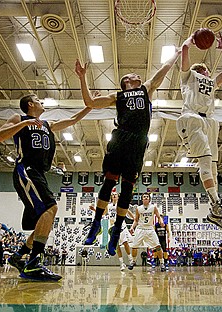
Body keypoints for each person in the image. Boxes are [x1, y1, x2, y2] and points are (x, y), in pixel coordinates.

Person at [75, 48, 181, 256]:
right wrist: (82, 77)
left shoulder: (147, 89)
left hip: (138, 141)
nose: (139, 76)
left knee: (127, 188)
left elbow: (164, 70)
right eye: (134, 76)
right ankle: (96, 224)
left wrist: (176, 54)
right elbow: (90, 103)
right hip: (120, 137)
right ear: (126, 81)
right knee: (109, 181)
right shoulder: (118, 95)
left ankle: (116, 232)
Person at [0, 94, 92, 281]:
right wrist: (24, 124)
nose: (42, 102)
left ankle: (19, 256)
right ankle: (32, 263)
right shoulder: (19, 119)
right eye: (38, 100)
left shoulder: (47, 125)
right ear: (30, 104)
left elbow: (72, 119)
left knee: (43, 221)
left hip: (39, 173)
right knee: (51, 208)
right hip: (26, 170)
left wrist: (90, 106)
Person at [177, 32, 222, 231]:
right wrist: (192, 41)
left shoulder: (212, 83)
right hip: (192, 117)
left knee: (213, 168)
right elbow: (185, 51)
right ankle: (217, 202)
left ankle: (214, 211)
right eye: (203, 69)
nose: (206, 70)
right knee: (204, 161)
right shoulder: (189, 76)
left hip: (210, 122)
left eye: (206, 69)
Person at [128, 193, 166, 272]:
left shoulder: (153, 207)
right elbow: (136, 220)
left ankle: (162, 263)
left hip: (149, 229)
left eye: (147, 197)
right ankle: (133, 261)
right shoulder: (138, 208)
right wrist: (132, 227)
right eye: (144, 197)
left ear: (149, 199)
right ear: (142, 199)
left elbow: (159, 216)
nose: (145, 198)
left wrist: (161, 221)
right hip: (140, 229)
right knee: (134, 246)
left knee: (158, 246)